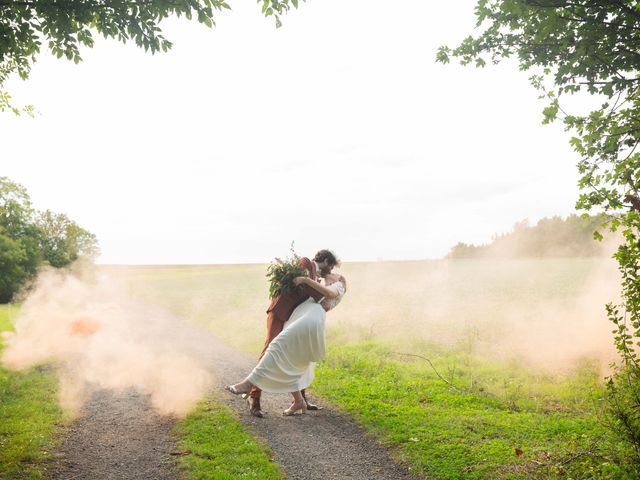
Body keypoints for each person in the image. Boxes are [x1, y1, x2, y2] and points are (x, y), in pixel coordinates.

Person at [226, 272, 347, 415]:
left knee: (277, 346)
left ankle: (248, 383)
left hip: (310, 319)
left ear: (340, 279)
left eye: (333, 274)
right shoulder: (324, 286)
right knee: (291, 358)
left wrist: (305, 280)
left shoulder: (338, 285)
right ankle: (298, 401)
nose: (329, 274)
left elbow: (330, 293)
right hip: (304, 317)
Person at [245, 249, 340, 417]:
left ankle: (301, 399)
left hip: (295, 316)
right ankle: (254, 397)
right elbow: (308, 288)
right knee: (270, 349)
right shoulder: (305, 263)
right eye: (330, 266)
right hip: (281, 312)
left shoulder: (315, 277)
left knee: (298, 354)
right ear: (325, 260)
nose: (330, 271)